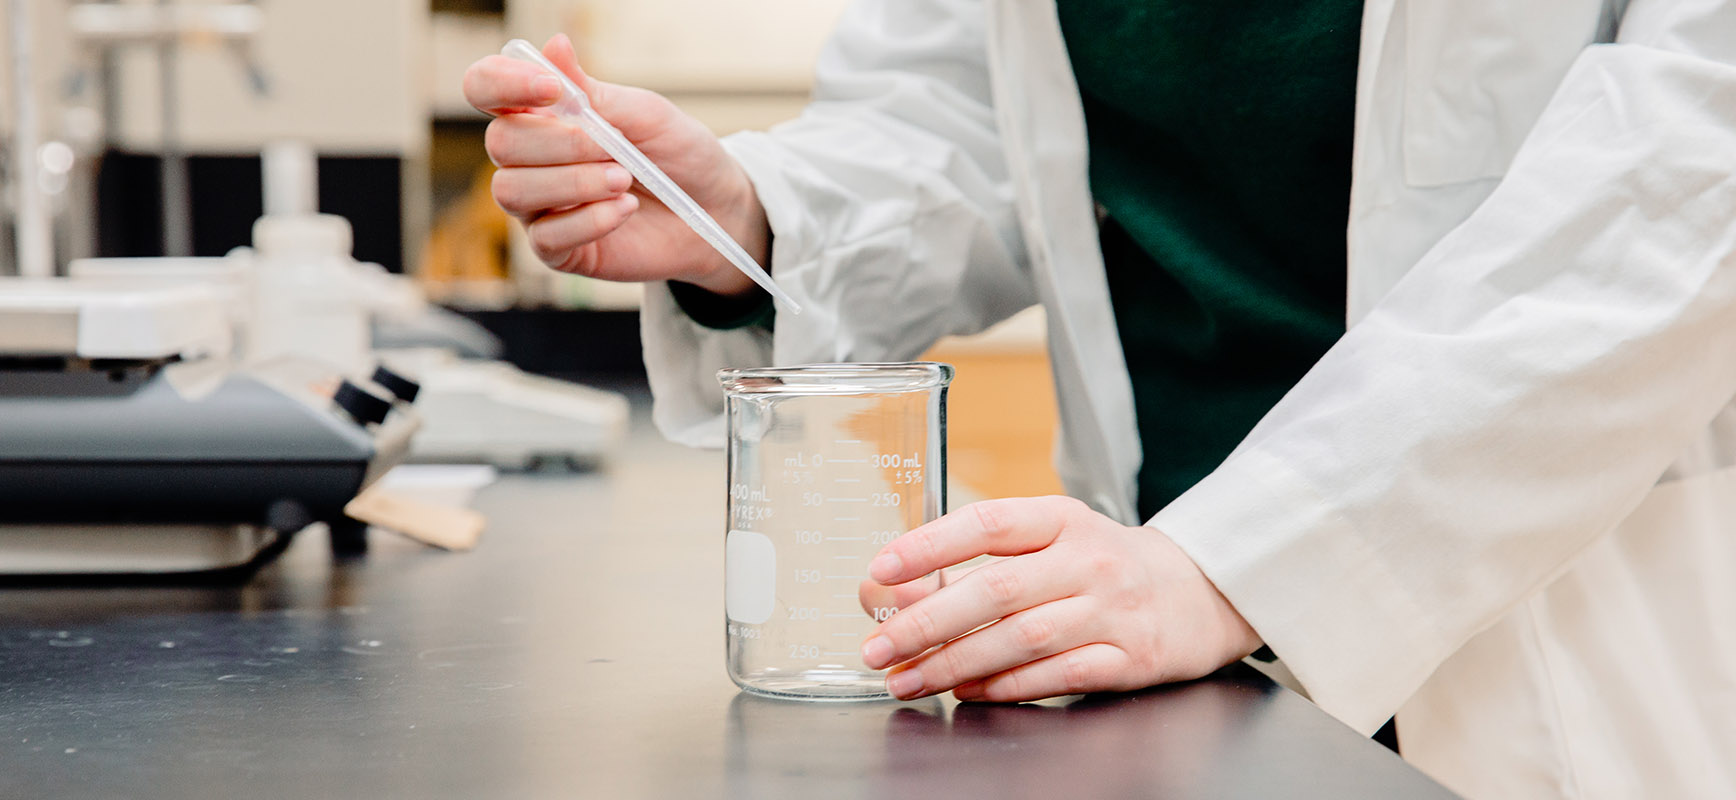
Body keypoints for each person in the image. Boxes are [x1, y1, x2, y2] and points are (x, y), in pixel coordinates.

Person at [464, 1, 1736, 796]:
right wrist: (740, 213)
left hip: (1541, 615)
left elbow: (1686, 184)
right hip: (1145, 633)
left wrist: (1234, 561)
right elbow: (961, 113)